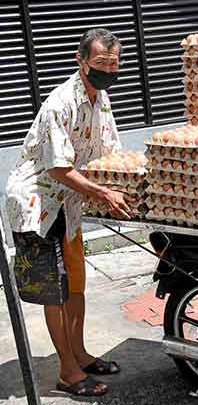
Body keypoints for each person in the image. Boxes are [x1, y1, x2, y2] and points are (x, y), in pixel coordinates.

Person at [6, 28, 133, 397]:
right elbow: (58, 168)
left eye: (114, 64)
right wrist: (105, 192)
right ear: (80, 61)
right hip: (38, 205)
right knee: (55, 291)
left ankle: (78, 354)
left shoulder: (101, 98)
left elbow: (110, 153)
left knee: (76, 283)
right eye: (100, 64)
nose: (108, 71)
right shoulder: (60, 102)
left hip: (69, 202)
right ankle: (67, 372)